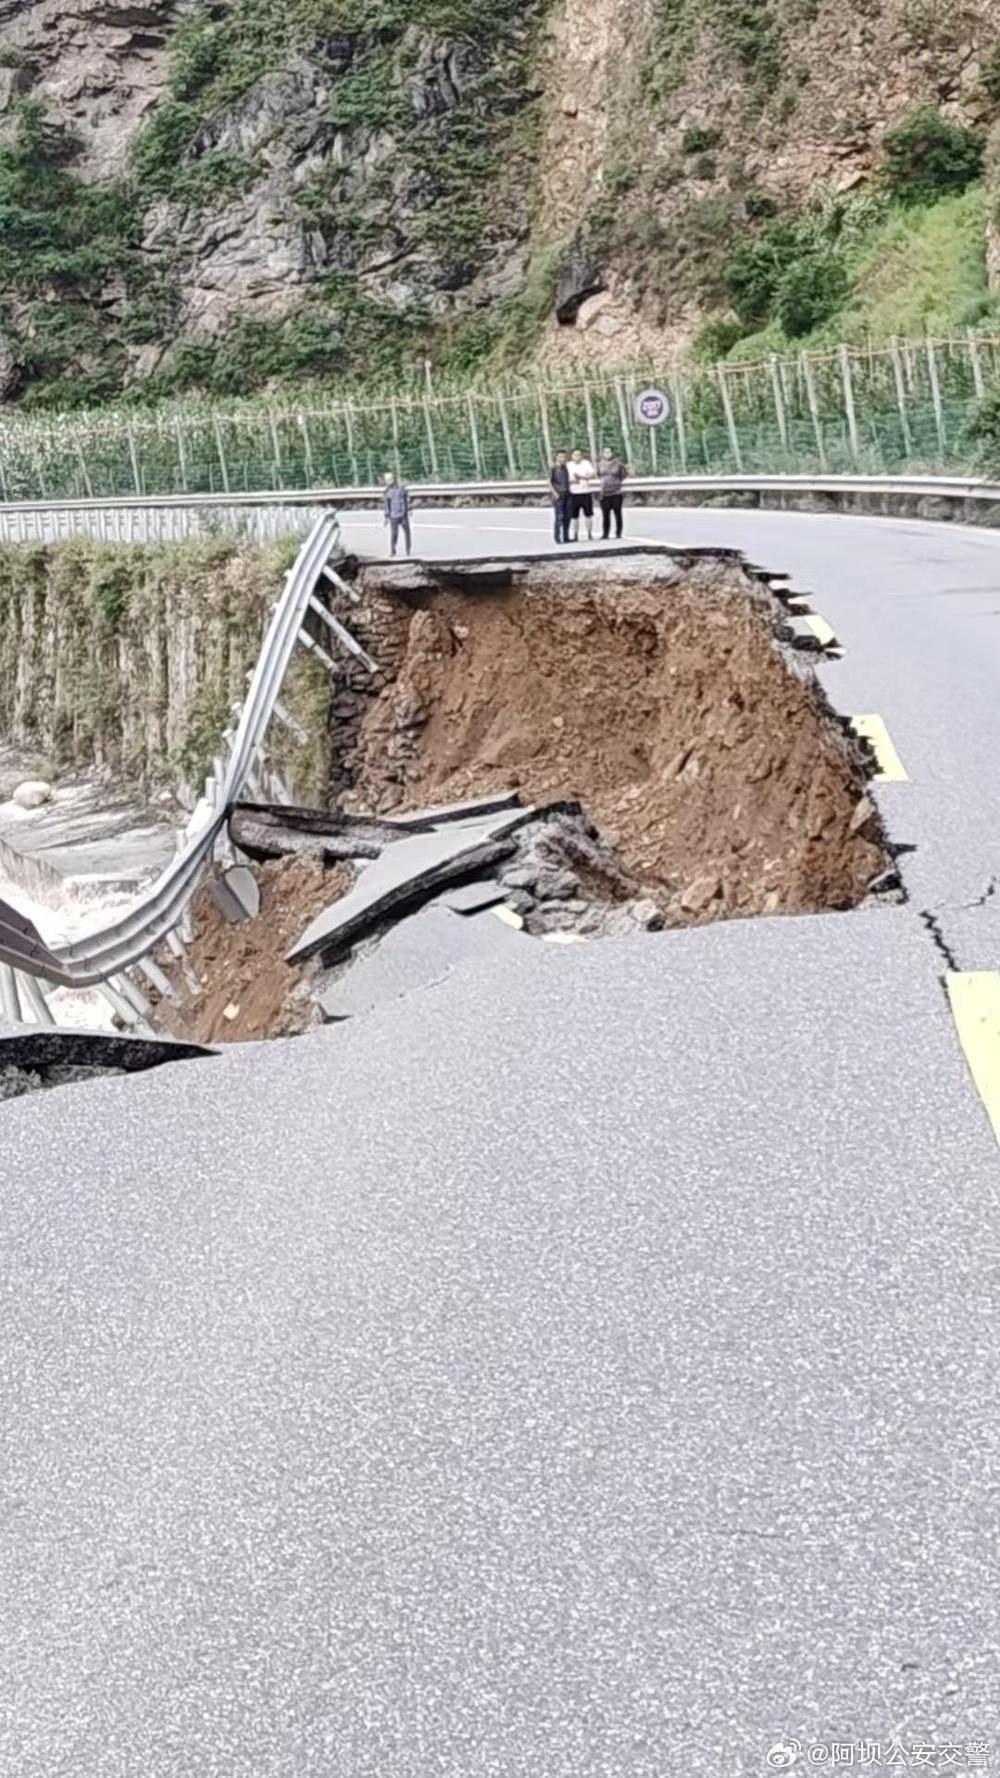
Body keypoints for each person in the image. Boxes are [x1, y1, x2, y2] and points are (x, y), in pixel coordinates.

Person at [598, 447, 628, 540]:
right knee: (605, 514)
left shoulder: (618, 464)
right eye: (605, 452)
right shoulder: (600, 464)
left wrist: (617, 482)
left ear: (612, 453)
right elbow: (598, 475)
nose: (607, 454)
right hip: (605, 492)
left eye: (609, 452)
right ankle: (605, 533)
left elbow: (624, 474)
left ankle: (618, 532)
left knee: (617, 513)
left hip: (616, 492)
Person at [568, 447, 596, 542]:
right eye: (575, 455)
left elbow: (592, 475)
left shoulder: (586, 463)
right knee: (574, 516)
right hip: (573, 493)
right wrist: (573, 481)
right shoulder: (569, 465)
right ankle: (575, 535)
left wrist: (581, 477)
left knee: (588, 515)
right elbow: (566, 479)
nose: (577, 456)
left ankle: (589, 534)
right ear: (572, 456)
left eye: (579, 454)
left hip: (586, 492)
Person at [383, 470, 411, 557]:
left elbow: (407, 499)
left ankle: (408, 549)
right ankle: (393, 551)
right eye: (387, 480)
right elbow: (387, 505)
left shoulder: (401, 489)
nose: (388, 481)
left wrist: (409, 509)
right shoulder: (387, 492)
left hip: (403, 514)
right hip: (393, 515)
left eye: (390, 479)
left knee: (407, 532)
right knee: (394, 534)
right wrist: (386, 517)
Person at [549, 449, 572, 545]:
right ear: (557, 458)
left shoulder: (565, 468)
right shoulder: (553, 468)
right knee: (559, 517)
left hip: (567, 494)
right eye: (560, 457)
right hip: (558, 495)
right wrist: (555, 493)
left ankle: (566, 537)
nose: (563, 459)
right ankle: (557, 537)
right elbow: (549, 482)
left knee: (567, 516)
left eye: (564, 457)